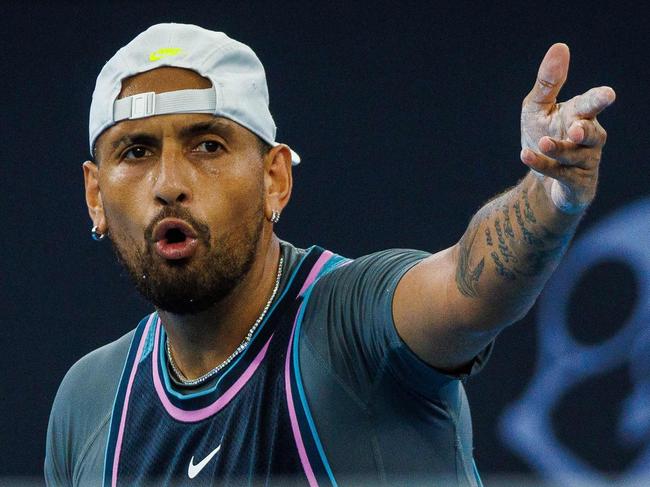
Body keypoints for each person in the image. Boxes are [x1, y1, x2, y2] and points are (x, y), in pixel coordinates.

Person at [44, 23, 614, 487]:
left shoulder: (353, 323)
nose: (169, 182)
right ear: (96, 196)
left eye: (208, 145)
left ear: (274, 181)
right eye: (137, 151)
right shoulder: (87, 404)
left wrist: (552, 193)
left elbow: (469, 290)